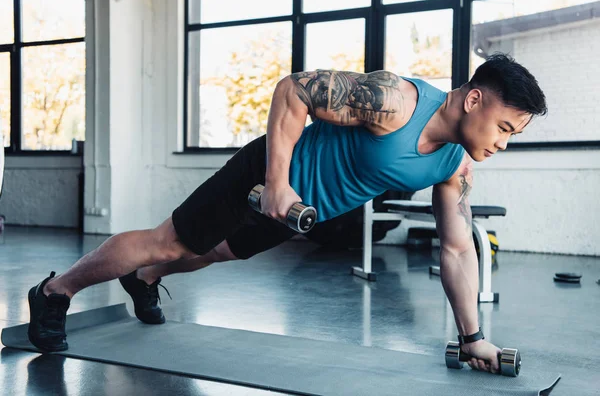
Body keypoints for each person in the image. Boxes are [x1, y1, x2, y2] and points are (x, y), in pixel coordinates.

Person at [27, 53, 547, 374]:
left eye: (513, 135)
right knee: (171, 239)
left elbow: (456, 249)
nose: (504, 143)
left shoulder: (454, 165)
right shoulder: (396, 102)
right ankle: (55, 293)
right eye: (504, 128)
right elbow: (293, 89)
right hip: (268, 173)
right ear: (474, 99)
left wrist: (472, 336)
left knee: (216, 253)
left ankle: (144, 278)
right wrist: (277, 183)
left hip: (302, 211)